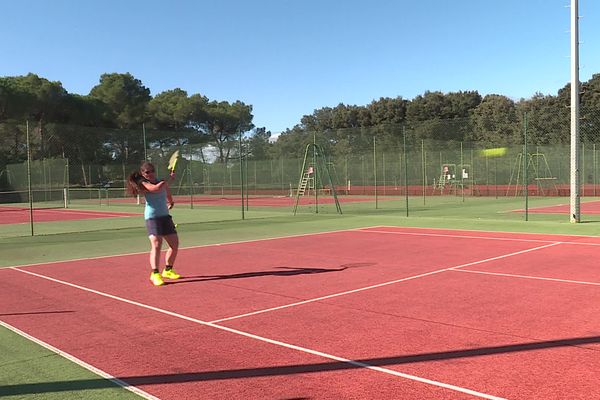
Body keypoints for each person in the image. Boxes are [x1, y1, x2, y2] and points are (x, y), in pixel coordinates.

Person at [127, 161, 180, 286]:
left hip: (165, 217)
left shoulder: (161, 181)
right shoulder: (143, 184)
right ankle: (155, 273)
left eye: (152, 171)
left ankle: (168, 270)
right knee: (157, 244)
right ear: (142, 174)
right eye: (147, 172)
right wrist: (168, 179)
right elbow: (156, 189)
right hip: (152, 218)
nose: (150, 174)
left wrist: (171, 201)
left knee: (174, 244)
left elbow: (165, 189)